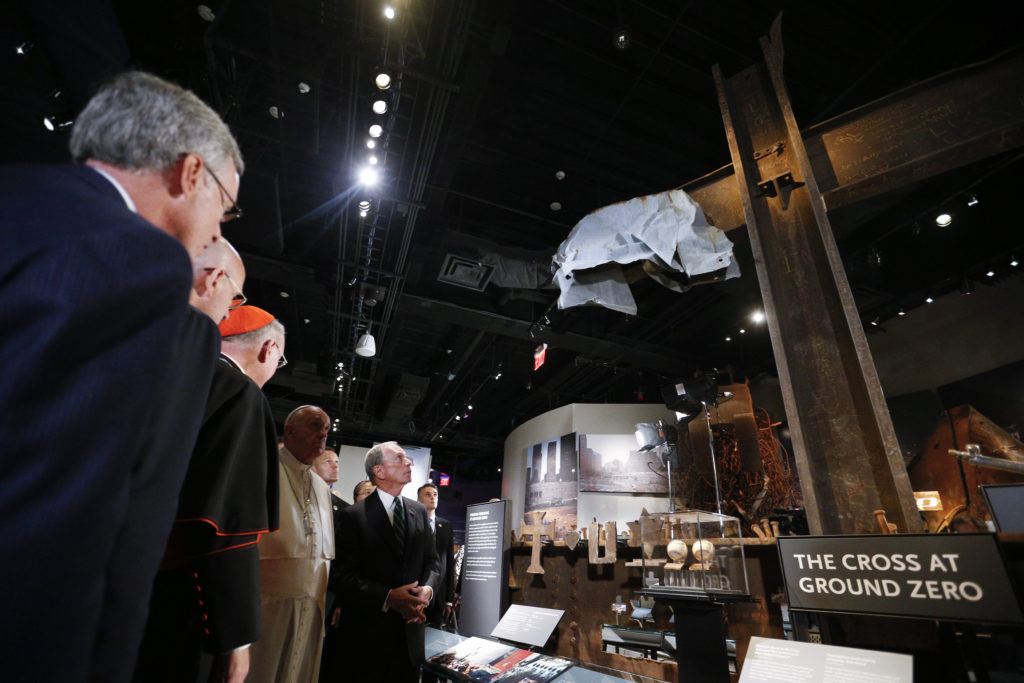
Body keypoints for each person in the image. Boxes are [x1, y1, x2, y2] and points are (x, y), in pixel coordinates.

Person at [0, 70, 243, 683]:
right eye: (226, 205)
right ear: (191, 173)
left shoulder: (16, 194)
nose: (216, 231)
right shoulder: (139, 258)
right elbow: (79, 512)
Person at [134, 305, 284, 683]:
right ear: (268, 349)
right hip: (171, 604)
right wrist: (235, 641)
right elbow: (223, 530)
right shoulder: (238, 391)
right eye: (279, 361)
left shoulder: (156, 367)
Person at [335, 442, 440, 683]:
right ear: (379, 471)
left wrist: (426, 590)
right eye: (400, 458)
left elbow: (432, 562)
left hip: (411, 630)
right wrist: (388, 596)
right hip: (369, 635)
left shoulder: (418, 511)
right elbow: (343, 576)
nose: (409, 462)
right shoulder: (353, 516)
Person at [248, 405, 335, 683]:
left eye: (326, 429)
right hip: (266, 605)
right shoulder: (262, 468)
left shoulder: (321, 487)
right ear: (289, 430)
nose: (322, 433)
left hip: (311, 608)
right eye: (314, 425)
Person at [417, 483, 456, 628]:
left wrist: (449, 600)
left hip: (439, 596)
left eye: (435, 494)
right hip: (417, 591)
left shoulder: (446, 526)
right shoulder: (413, 524)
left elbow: (449, 563)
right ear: (419, 500)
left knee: (435, 638)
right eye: (428, 494)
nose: (433, 497)